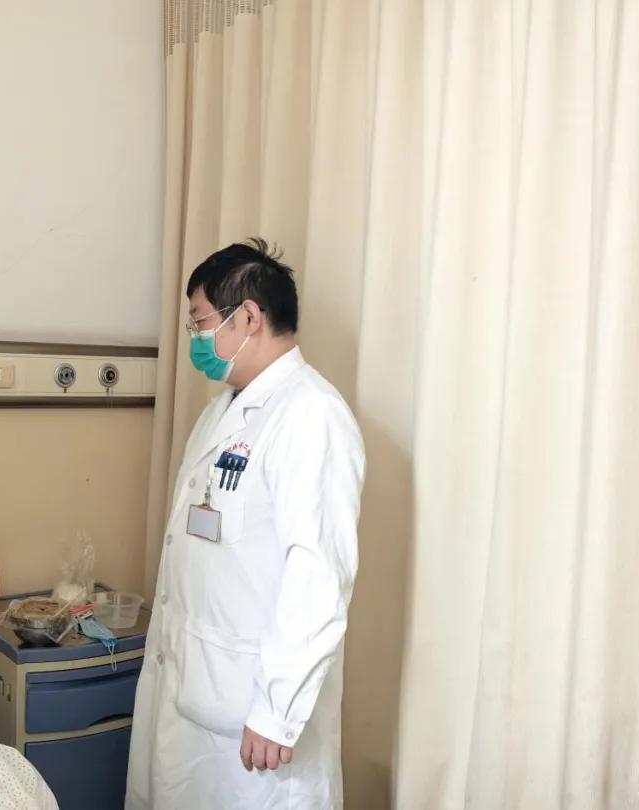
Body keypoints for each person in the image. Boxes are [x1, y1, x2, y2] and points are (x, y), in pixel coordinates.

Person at [126, 240, 365, 809]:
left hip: (255, 716)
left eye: (200, 321)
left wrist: (277, 712)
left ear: (249, 317)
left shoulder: (312, 416)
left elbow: (318, 574)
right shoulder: (224, 410)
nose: (196, 338)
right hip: (197, 686)